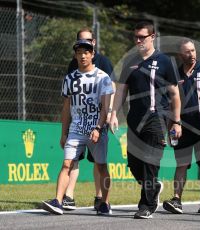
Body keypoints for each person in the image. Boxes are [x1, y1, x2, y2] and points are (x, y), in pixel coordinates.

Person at [108, 21, 182, 219]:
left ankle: (146, 205)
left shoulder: (165, 61)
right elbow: (121, 91)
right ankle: (154, 185)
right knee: (134, 163)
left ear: (152, 37)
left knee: (150, 161)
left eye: (142, 36)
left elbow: (174, 94)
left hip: (157, 119)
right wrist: (113, 113)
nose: (139, 40)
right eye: (136, 37)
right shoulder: (130, 61)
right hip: (135, 119)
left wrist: (176, 122)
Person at [42, 39, 114, 215]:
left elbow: (105, 107)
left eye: (86, 52)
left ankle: (104, 203)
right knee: (67, 163)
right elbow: (66, 108)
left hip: (96, 129)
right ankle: (57, 201)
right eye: (79, 52)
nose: (83, 55)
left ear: (92, 54)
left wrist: (98, 128)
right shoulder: (70, 78)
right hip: (76, 129)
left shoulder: (103, 77)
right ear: (75, 55)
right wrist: (63, 133)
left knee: (101, 166)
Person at [162, 38, 200, 214]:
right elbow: (168, 104)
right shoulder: (174, 74)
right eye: (187, 51)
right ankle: (177, 200)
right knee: (181, 163)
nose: (192, 54)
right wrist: (171, 126)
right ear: (180, 54)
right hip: (181, 128)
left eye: (193, 50)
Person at [62, 28, 115, 211]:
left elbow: (111, 89)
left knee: (99, 163)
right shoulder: (73, 65)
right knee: (71, 160)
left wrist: (111, 114)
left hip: (97, 122)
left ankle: (101, 198)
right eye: (81, 43)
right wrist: (66, 129)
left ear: (94, 44)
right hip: (78, 123)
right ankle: (67, 196)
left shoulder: (103, 64)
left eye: (89, 41)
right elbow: (69, 98)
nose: (83, 54)